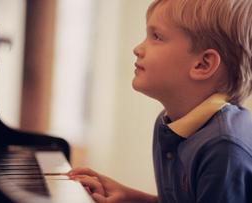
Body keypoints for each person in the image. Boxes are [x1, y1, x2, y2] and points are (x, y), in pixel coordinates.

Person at [67, 0, 252, 202]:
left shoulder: (224, 148)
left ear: (202, 64)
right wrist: (129, 198)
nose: (137, 48)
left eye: (156, 36)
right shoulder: (169, 123)